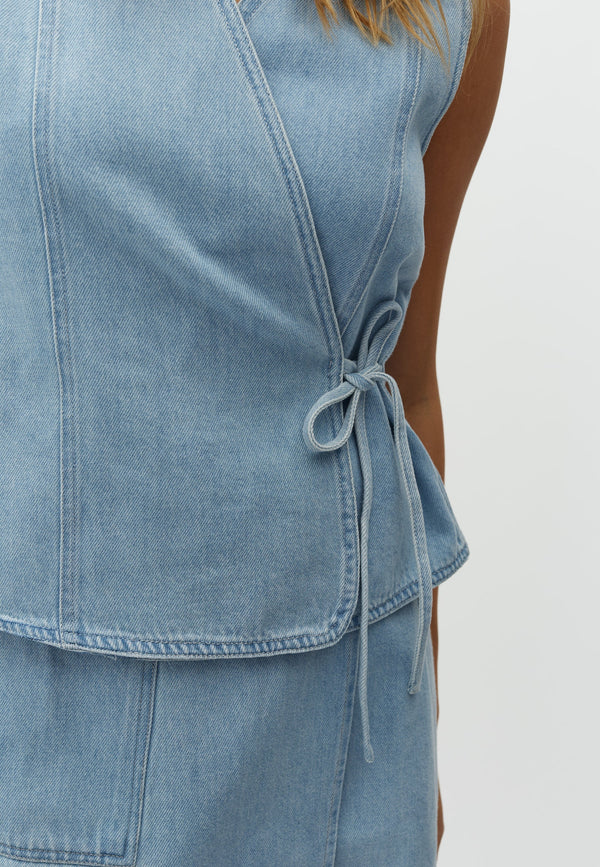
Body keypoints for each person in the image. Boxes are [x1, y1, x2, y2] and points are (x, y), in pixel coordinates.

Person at [0, 0, 509, 863]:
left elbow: (407, 386)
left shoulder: (450, 14)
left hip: (348, 726)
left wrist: (423, 734)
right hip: (53, 708)